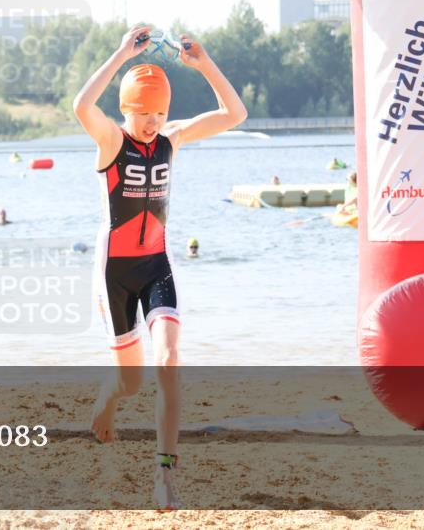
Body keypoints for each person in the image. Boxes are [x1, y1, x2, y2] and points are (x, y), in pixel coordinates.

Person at [72, 25, 246, 510]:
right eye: (144, 113)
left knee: (169, 361)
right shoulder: (111, 142)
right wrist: (120, 55)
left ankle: (164, 472)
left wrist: (204, 64)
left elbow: (235, 114)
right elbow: (82, 107)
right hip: (114, 276)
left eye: (161, 113)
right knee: (131, 384)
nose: (153, 122)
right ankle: (109, 397)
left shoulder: (172, 139)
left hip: (157, 268)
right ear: (126, 109)